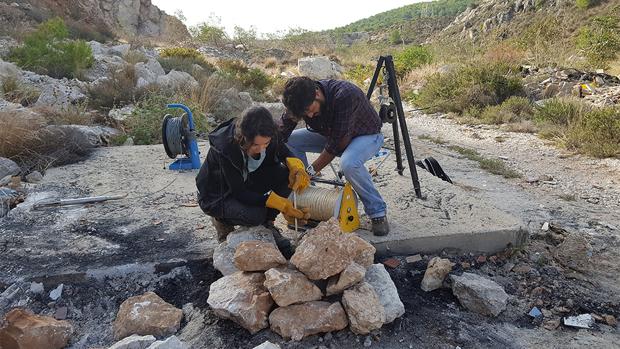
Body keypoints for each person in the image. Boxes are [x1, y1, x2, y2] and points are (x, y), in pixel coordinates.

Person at [279, 76, 389, 236]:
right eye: (304, 113)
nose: (309, 116)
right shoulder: (298, 100)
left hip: (365, 135)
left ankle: (377, 212)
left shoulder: (345, 95)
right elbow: (282, 132)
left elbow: (337, 144)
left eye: (310, 109)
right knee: (290, 141)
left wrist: (308, 172)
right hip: (332, 134)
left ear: (317, 93)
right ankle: (307, 200)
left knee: (348, 164)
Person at [196, 106, 310, 243]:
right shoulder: (225, 148)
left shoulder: (268, 133)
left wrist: (296, 167)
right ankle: (221, 220)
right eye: (256, 145)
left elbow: (283, 152)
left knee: (286, 176)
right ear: (243, 137)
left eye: (266, 144)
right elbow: (240, 192)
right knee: (256, 215)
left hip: (247, 180)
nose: (261, 149)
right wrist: (280, 204)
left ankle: (268, 223)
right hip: (219, 195)